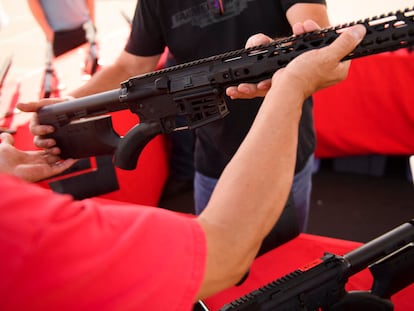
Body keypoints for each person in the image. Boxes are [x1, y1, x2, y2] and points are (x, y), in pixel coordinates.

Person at [3, 23, 365, 310]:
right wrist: (293, 84)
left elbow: (314, 28)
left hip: (284, 159)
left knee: (281, 257)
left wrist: (70, 108)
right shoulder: (22, 233)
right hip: (214, 165)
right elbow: (223, 251)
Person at [28, 0, 331, 233]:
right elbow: (131, 67)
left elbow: (317, 40)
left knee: (286, 270)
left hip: (286, 158)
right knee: (219, 274)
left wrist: (277, 55)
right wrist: (67, 105)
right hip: (214, 163)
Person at [27, 0, 96, 57]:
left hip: (85, 29)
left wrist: (92, 22)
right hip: (59, 35)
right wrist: (49, 34)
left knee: (92, 69)